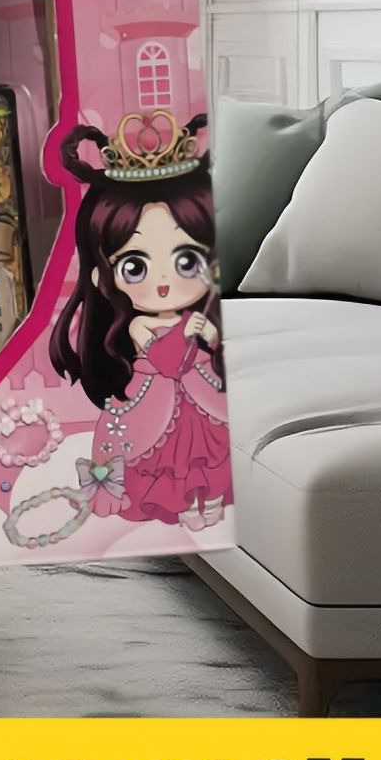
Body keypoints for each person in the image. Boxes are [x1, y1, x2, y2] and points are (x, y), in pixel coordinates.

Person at [47, 112, 229, 531]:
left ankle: (213, 500)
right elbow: (167, 362)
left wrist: (211, 334)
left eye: (187, 260)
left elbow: (211, 345)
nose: (163, 283)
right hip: (159, 399)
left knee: (211, 449)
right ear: (101, 276)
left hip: (202, 390)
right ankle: (187, 506)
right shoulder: (136, 327)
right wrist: (189, 332)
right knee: (170, 458)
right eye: (135, 266)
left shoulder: (201, 308)